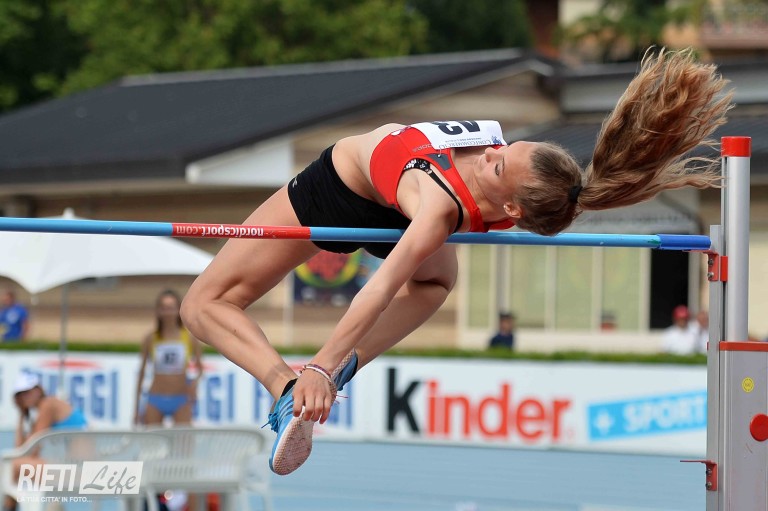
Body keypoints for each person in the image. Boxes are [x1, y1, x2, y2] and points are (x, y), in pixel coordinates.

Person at [179, 48, 733, 475]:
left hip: (343, 194)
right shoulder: (547, 196)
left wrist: (320, 368)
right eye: (503, 149)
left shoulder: (440, 210)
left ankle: (286, 390)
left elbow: (378, 289)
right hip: (372, 191)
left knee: (201, 305)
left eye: (498, 166)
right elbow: (558, 192)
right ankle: (322, 375)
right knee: (437, 280)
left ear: (511, 210)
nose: (492, 152)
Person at [3, 372, 87, 511]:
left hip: (80, 472)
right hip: (81, 469)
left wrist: (22, 416)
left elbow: (29, 451)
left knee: (12, 467)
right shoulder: (49, 406)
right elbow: (23, 451)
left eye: (27, 392)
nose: (24, 397)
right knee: (15, 467)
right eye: (20, 395)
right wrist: (21, 415)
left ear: (38, 390)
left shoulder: (48, 405)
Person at [134, 289, 204, 427]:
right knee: (152, 440)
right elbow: (141, 373)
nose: (168, 312)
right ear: (158, 311)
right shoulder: (150, 338)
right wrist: (136, 408)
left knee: (184, 439)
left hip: (181, 398)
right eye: (164, 308)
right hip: (155, 398)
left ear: (178, 310)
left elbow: (200, 369)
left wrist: (194, 383)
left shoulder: (189, 338)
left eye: (171, 308)